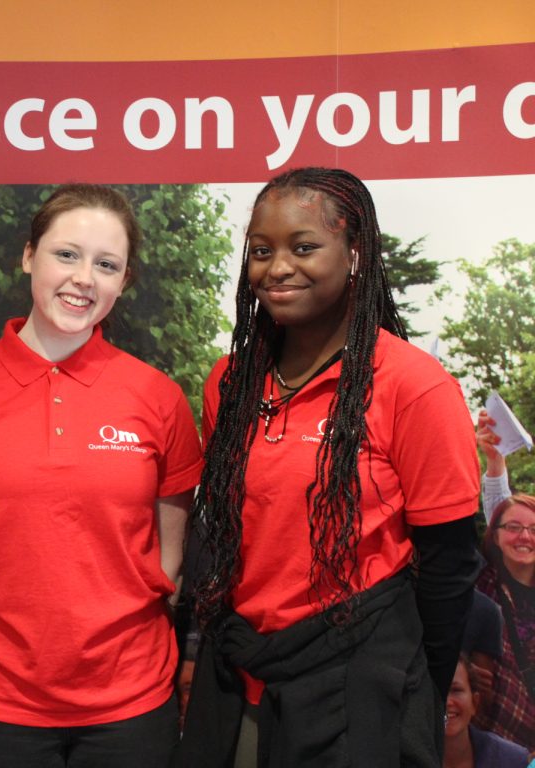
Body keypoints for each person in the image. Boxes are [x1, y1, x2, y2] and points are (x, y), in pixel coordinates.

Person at [177, 167, 480, 767]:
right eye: (261, 251)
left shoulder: (413, 386)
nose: (277, 267)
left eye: (304, 246)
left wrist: (418, 690)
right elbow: (219, 535)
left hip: (357, 682)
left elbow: (448, 565)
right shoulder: (229, 383)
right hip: (237, 673)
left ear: (356, 253)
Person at [0, 184, 203, 767]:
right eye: (66, 254)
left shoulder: (158, 398)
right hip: (0, 709)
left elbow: (168, 557)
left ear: (123, 282)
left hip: (132, 706)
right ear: (29, 257)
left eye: (106, 265)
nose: (84, 279)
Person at [475, 493, 535, 749]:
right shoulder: (477, 586)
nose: (525, 536)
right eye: (513, 527)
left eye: (534, 529)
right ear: (495, 536)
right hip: (490, 730)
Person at [443, 655, 528, 768]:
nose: (447, 702)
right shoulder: (412, 759)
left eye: (456, 690)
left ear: (474, 702)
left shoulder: (514, 761)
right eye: (435, 692)